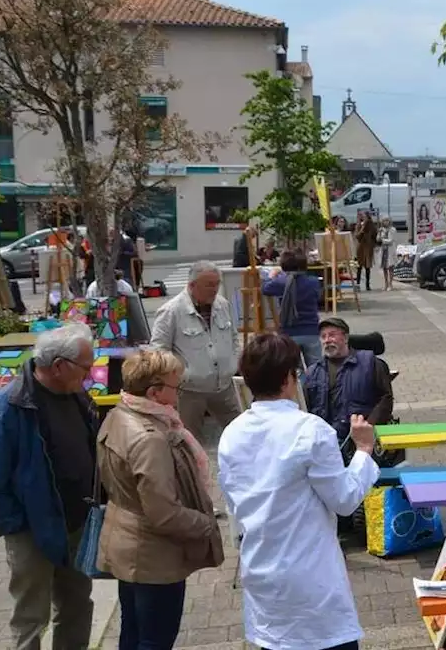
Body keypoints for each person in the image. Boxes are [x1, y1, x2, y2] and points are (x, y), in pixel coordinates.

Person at [218, 333, 380, 650]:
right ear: (288, 378)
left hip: (262, 567)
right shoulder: (310, 429)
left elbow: (234, 503)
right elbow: (345, 500)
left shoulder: (232, 433)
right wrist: (363, 450)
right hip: (310, 577)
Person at [0, 323, 99, 650]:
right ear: (58, 366)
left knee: (78, 605)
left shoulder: (76, 394)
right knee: (30, 617)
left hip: (77, 523)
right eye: (85, 366)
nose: (91, 373)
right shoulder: (7, 408)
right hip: (32, 531)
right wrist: (17, 526)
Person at [97, 348, 223, 650]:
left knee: (134, 631)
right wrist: (206, 523)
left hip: (127, 542)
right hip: (152, 555)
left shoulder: (119, 413)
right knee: (155, 639)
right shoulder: (151, 438)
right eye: (175, 387)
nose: (179, 393)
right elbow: (163, 513)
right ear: (155, 392)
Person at [150, 260, 241, 444]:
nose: (214, 289)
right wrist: (180, 375)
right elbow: (159, 350)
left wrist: (234, 362)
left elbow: (233, 338)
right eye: (209, 285)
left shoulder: (223, 305)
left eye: (217, 284)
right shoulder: (171, 311)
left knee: (241, 432)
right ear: (192, 285)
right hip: (188, 391)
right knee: (189, 442)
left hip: (224, 385)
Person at [303, 317, 393, 445]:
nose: (327, 340)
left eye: (332, 335)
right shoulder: (313, 372)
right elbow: (305, 408)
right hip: (324, 441)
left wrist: (369, 425)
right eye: (323, 337)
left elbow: (386, 398)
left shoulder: (370, 363)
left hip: (362, 439)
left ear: (345, 338)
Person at [262, 249, 323, 364]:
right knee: (316, 368)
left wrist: (271, 276)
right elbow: (319, 297)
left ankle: (300, 381)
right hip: (311, 330)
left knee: (293, 369)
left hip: (289, 332)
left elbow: (265, 288)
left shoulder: (281, 282)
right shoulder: (313, 282)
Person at [354, 211, 377, 291]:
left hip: (368, 247)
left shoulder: (371, 225)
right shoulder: (358, 225)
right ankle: (358, 284)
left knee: (368, 267)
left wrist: (373, 244)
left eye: (365, 216)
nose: (364, 217)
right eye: (362, 216)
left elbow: (375, 235)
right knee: (359, 267)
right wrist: (362, 229)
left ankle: (367, 285)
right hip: (360, 248)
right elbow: (357, 236)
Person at [376, 216, 396, 291]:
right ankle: (386, 283)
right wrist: (379, 233)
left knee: (390, 267)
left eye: (387, 220)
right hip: (383, 250)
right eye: (384, 221)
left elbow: (391, 240)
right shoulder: (381, 230)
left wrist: (383, 240)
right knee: (384, 267)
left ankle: (390, 284)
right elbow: (377, 239)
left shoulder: (393, 229)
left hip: (390, 250)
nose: (386, 222)